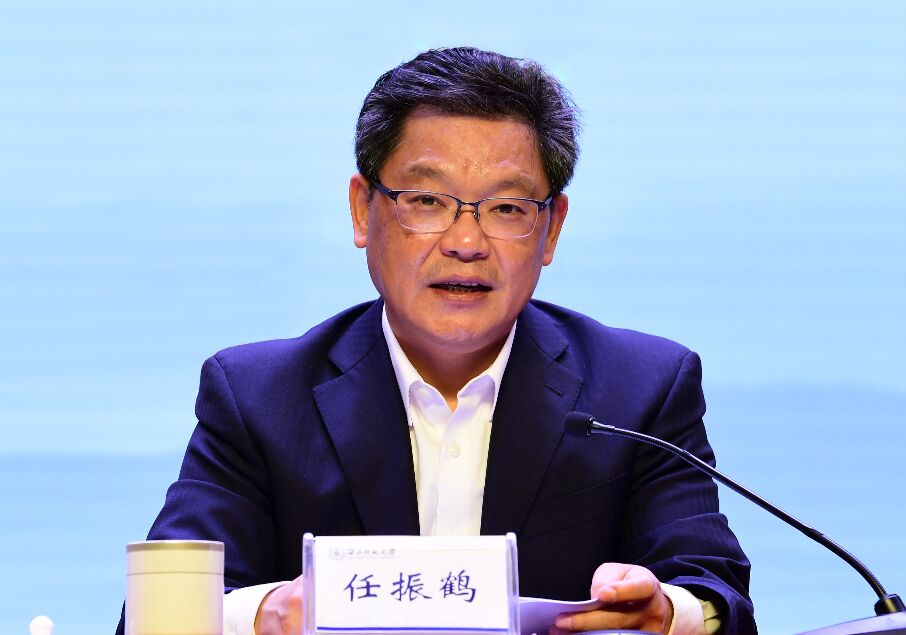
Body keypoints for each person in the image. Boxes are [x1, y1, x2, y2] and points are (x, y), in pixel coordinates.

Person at [116, 47, 756, 635]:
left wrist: (667, 613)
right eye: (427, 201)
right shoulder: (259, 398)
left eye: (507, 208)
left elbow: (716, 592)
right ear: (363, 209)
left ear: (552, 229)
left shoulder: (640, 390)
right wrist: (262, 614)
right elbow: (151, 618)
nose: (466, 242)